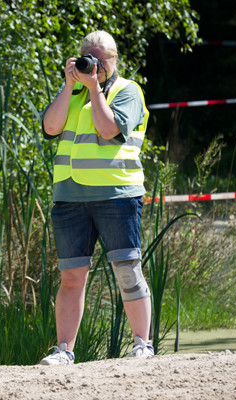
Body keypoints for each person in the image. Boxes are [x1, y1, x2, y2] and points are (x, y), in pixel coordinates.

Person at [39, 30, 153, 365]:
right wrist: (69, 84)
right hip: (70, 195)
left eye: (101, 58)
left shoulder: (127, 90)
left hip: (116, 193)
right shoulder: (73, 92)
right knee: (71, 276)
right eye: (88, 57)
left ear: (114, 60)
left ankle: (142, 343)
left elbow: (108, 129)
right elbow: (50, 127)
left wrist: (93, 89)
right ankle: (64, 350)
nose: (95, 64)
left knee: (127, 269)